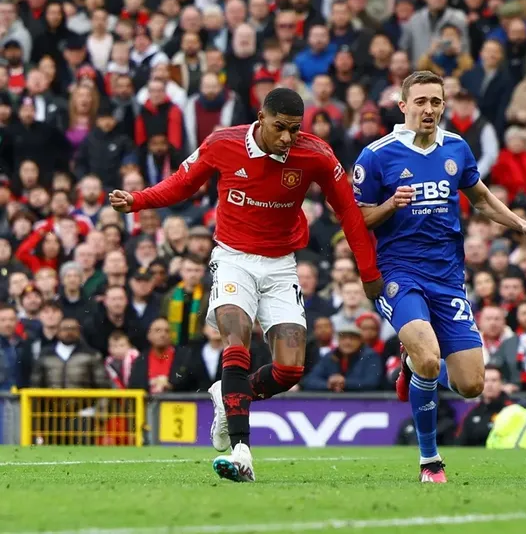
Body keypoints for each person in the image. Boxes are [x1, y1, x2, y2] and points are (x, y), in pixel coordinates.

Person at [108, 87, 383, 483]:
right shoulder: (223, 143)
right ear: (260, 118)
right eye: (280, 128)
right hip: (233, 259)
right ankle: (242, 451)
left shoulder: (316, 154)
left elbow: (349, 213)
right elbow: (182, 184)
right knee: (236, 341)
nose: (287, 138)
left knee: (290, 368)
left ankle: (228, 394)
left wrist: (368, 271)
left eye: (294, 129)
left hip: (282, 265)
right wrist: (137, 200)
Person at [352, 70, 526, 483]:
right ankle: (430, 462)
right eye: (421, 101)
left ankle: (413, 370)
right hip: (400, 273)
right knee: (428, 357)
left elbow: (479, 197)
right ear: (403, 104)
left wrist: (521, 225)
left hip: (447, 277)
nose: (429, 109)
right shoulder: (377, 155)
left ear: (445, 106)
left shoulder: (457, 148)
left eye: (436, 102)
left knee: (471, 385)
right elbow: (356, 221)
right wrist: (390, 205)